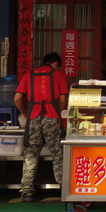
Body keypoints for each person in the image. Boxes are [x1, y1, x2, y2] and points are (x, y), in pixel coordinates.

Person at [13, 52, 68, 203]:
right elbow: (62, 101)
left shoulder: (29, 75)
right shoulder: (58, 75)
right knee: (57, 153)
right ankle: (64, 190)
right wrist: (56, 112)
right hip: (52, 117)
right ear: (55, 63)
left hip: (33, 117)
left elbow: (17, 98)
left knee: (31, 154)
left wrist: (24, 112)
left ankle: (27, 192)